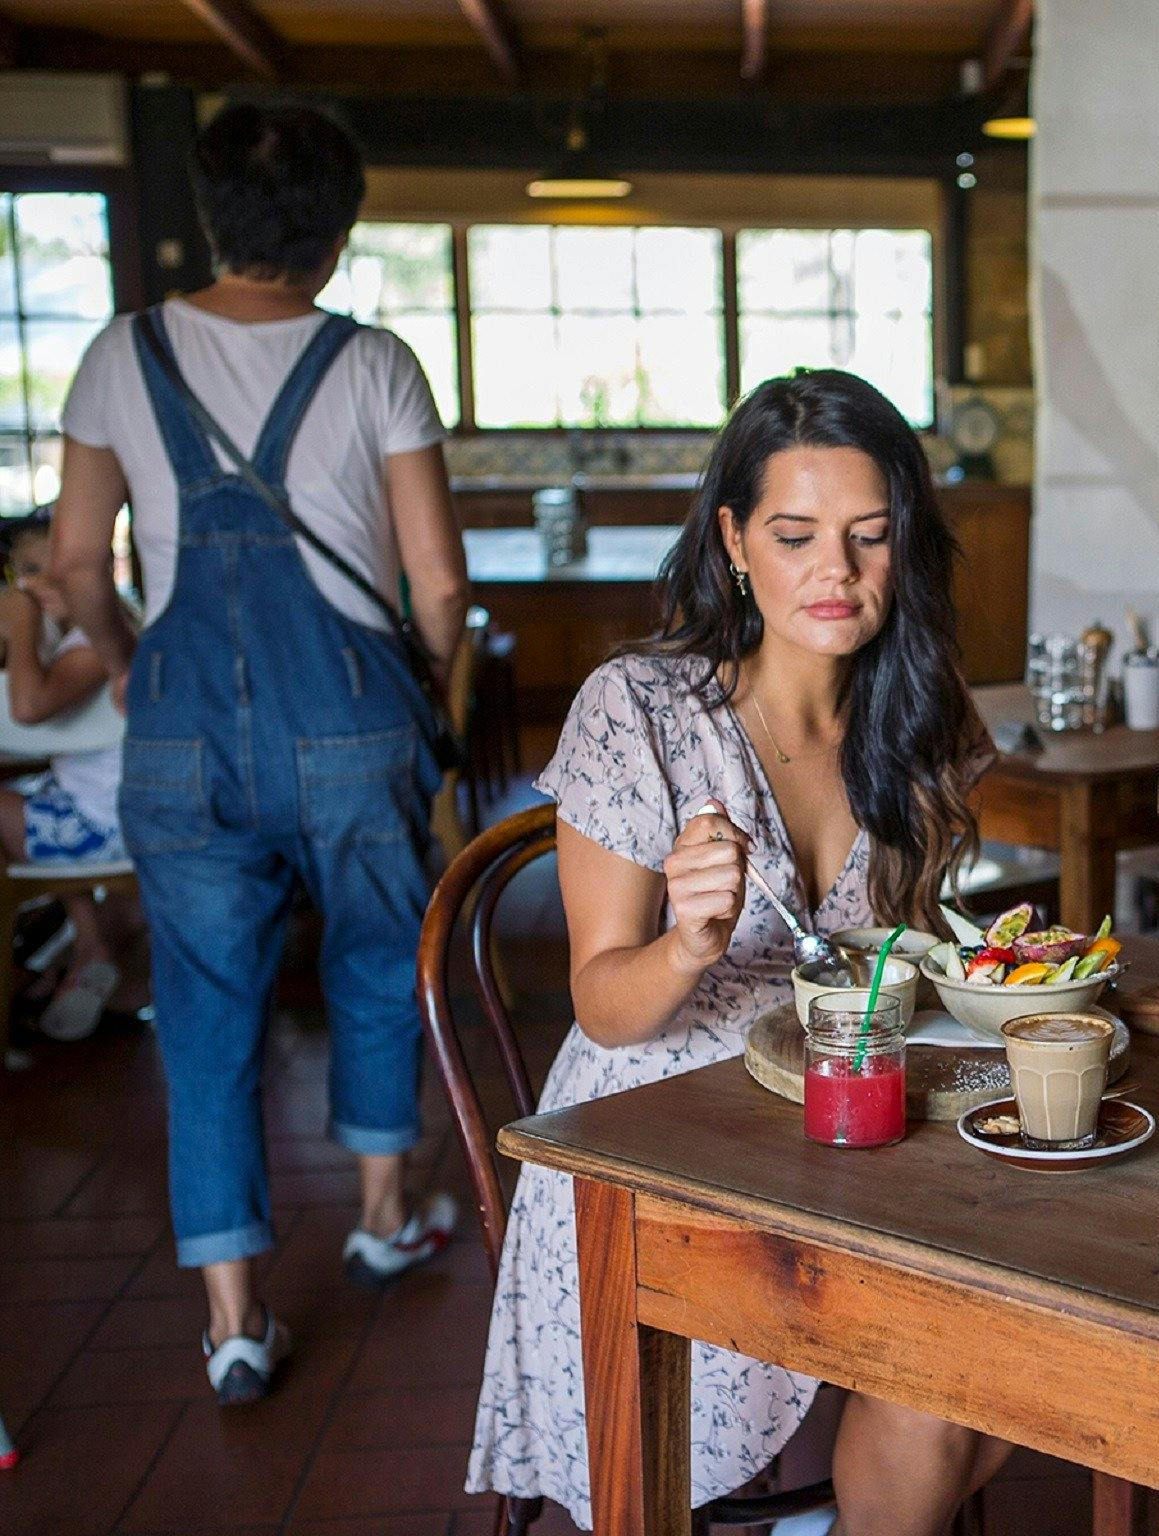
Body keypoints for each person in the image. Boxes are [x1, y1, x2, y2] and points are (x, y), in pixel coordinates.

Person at [468, 369, 1006, 1531]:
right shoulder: (641, 710)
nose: (838, 573)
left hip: (852, 1135)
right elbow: (605, 1009)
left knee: (1020, 1339)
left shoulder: (922, 717)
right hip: (655, 1151)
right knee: (952, 1374)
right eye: (797, 535)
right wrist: (686, 942)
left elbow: (911, 959)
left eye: (871, 538)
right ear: (733, 542)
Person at [49, 103, 470, 1404]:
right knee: (375, 963)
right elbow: (441, 589)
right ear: (337, 236)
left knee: (208, 1012)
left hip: (182, 730)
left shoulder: (122, 356)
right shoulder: (376, 361)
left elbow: (73, 564)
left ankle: (233, 1320)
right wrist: (437, 702)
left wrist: (132, 665)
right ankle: (385, 1214)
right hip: (351, 714)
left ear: (209, 215)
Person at [0, 509, 141, 1040]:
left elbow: (29, 707)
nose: (32, 586)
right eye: (22, 573)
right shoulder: (81, 638)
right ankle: (82, 947)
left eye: (45, 568)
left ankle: (62, 955)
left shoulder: (97, 642)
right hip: (101, 816)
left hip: (111, 826)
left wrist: (18, 622)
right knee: (33, 795)